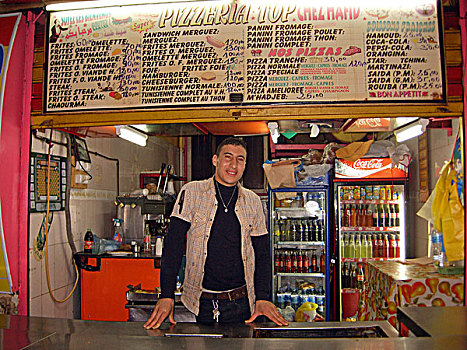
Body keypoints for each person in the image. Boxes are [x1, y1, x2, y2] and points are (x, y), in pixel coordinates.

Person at [144, 137, 288, 329]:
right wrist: (167, 295)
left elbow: (262, 253)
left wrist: (263, 297)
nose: (233, 165)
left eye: (240, 159)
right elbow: (173, 245)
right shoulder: (192, 192)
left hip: (243, 303)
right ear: (215, 160)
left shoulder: (252, 201)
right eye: (227, 157)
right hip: (201, 302)